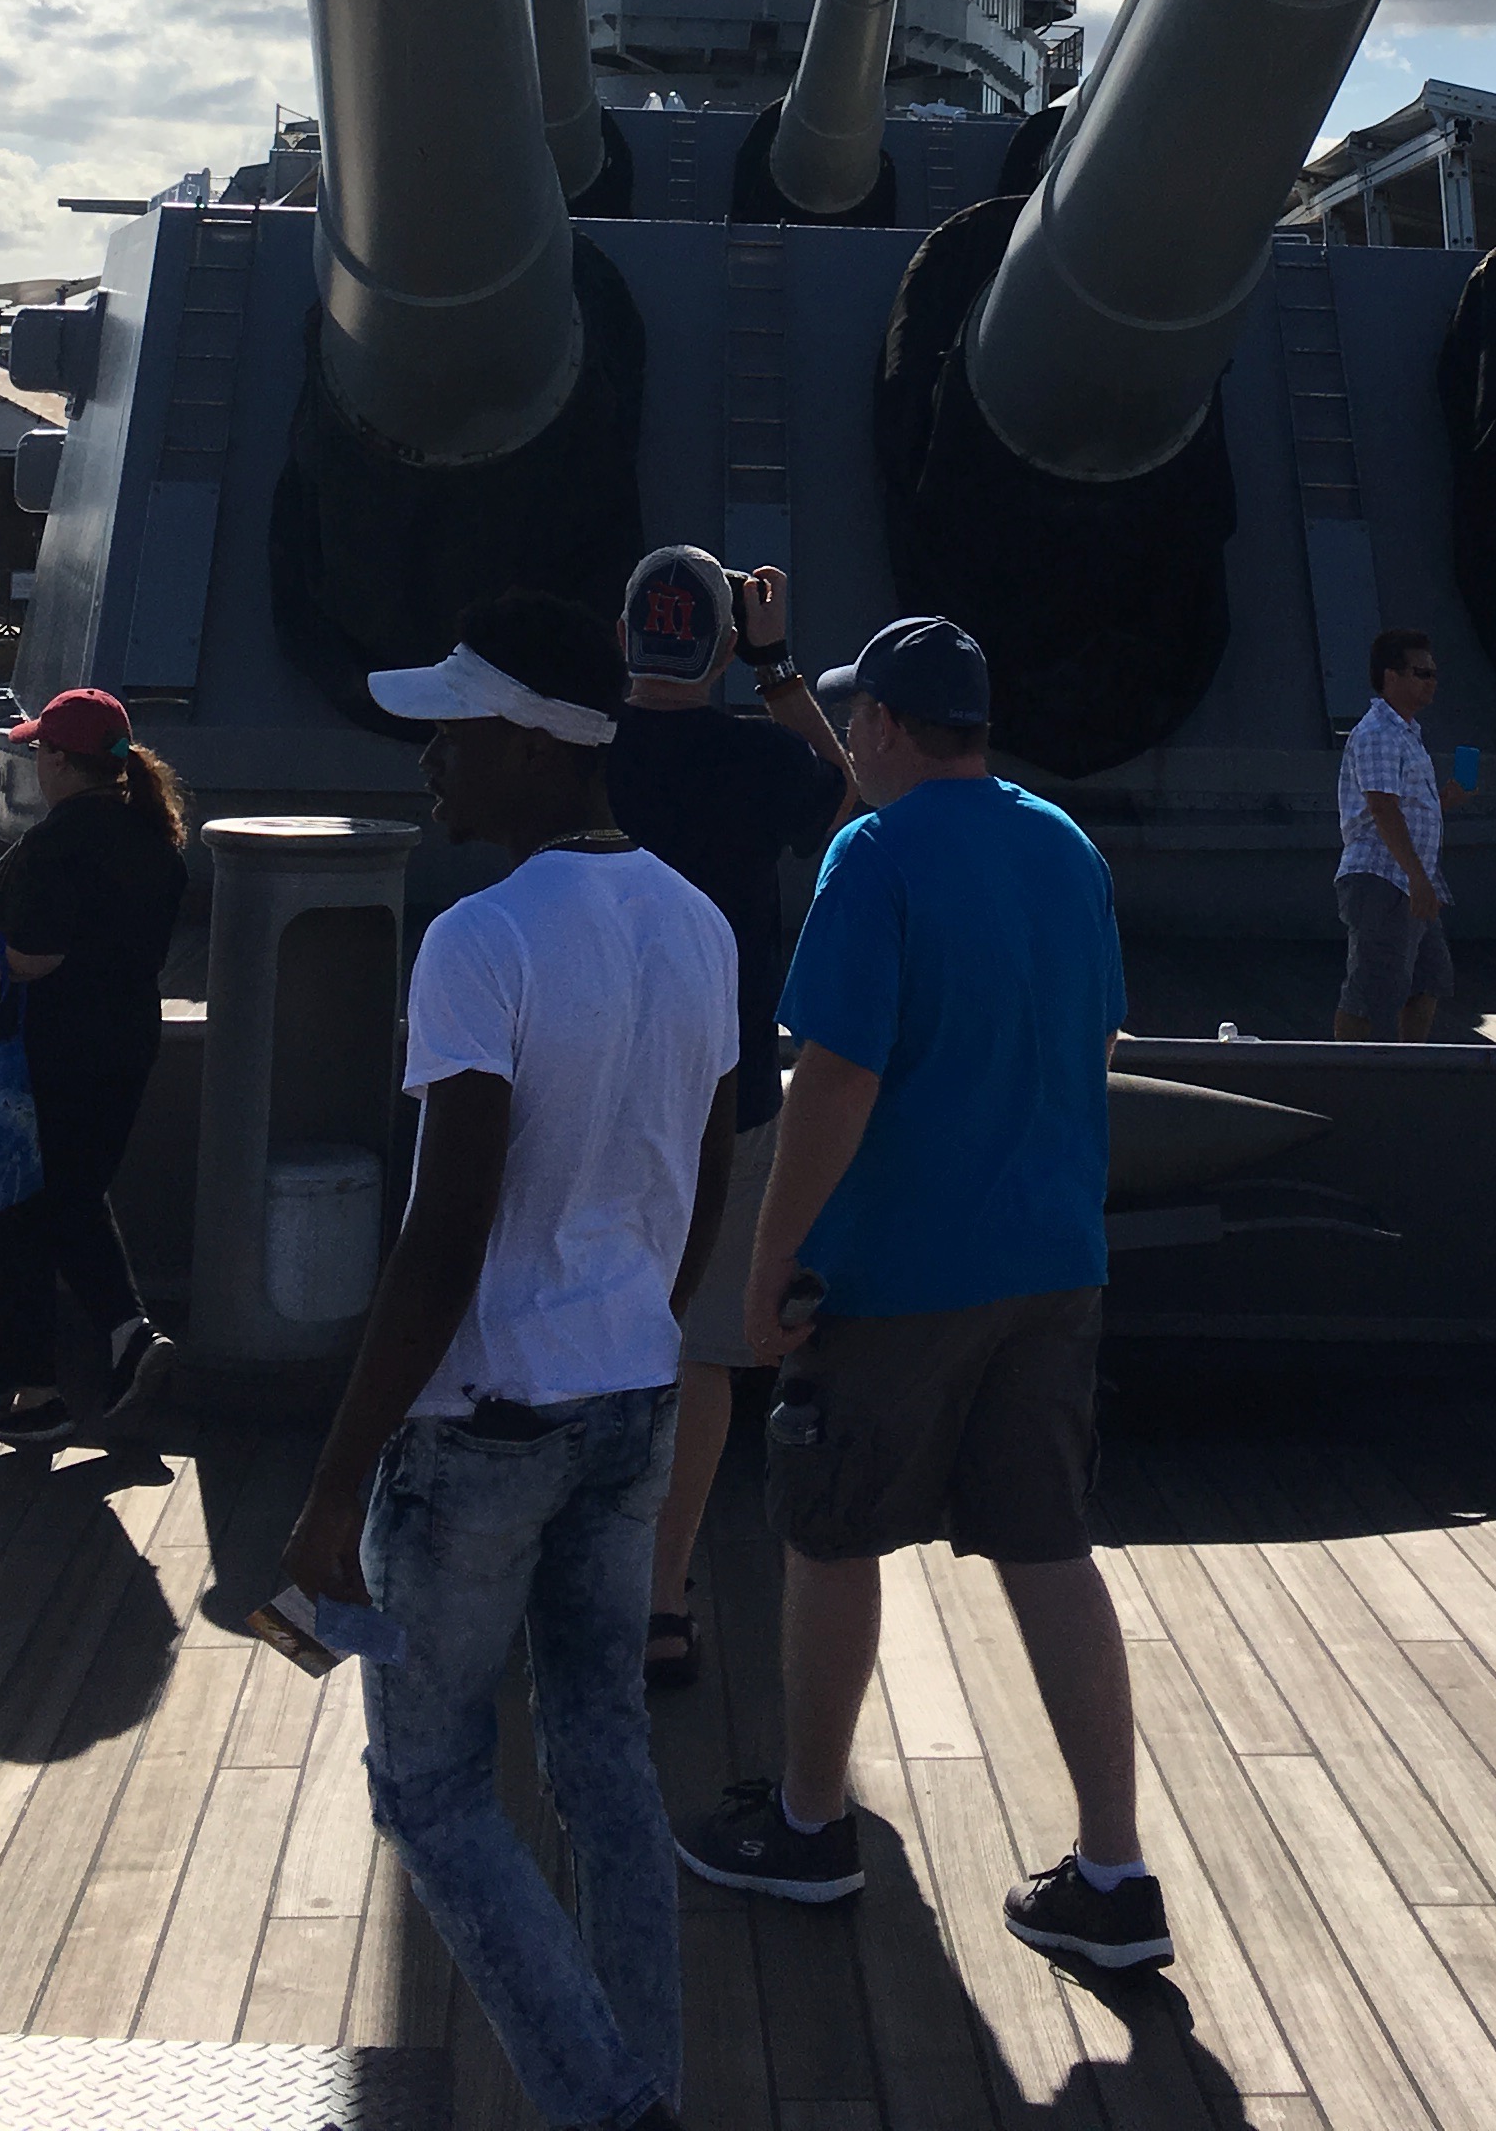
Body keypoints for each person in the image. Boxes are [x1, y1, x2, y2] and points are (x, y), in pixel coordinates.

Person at [279, 593, 735, 2131]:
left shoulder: (479, 941)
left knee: (428, 1788)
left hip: (482, 1428)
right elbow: (706, 1175)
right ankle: (646, 2082)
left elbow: (446, 1229)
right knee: (606, 1764)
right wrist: (642, 1325)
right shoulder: (699, 923)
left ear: (537, 747)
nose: (430, 762)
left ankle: (612, 2109)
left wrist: (334, 1488)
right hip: (632, 1398)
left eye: (455, 733)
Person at [677, 614, 1170, 1979]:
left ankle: (810, 1823)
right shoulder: (1063, 845)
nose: (852, 740)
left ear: (889, 725)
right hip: (1052, 1263)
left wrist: (772, 1256)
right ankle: (1115, 1875)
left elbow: (836, 1078)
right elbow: (1098, 1030)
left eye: (857, 719)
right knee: (1048, 1546)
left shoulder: (876, 854)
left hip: (897, 1273)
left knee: (832, 1536)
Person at [602, 544, 847, 1692]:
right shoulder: (756, 758)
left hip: (585, 1083)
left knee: (579, 1325)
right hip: (724, 1091)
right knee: (700, 1349)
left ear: (624, 639)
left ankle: (574, 1577)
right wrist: (777, 665)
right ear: (719, 647)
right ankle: (663, 1597)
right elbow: (842, 792)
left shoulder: (578, 755)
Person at [0, 683, 186, 1449]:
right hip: (125, 1043)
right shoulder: (153, 839)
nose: (35, 762)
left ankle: (34, 1394)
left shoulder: (62, 842)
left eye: (40, 751)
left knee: (3, 1215)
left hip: (43, 1053)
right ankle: (125, 1338)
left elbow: (35, 958)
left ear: (62, 760)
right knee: (72, 1197)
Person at [1332, 627, 1452, 1043]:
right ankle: (1348, 1070)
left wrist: (1446, 800)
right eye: (1422, 673)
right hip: (1382, 879)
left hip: (1407, 880)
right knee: (1368, 991)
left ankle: (1410, 1063)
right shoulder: (1379, 734)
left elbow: (1404, 808)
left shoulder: (1406, 733)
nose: (1431, 682)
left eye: (1433, 674)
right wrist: (1418, 878)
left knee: (1427, 979)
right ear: (1391, 677)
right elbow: (1382, 809)